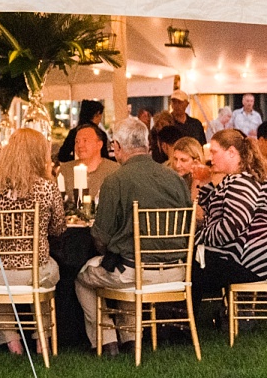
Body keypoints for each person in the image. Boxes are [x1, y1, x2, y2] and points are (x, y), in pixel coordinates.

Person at [75, 117, 192, 356]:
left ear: (117, 146)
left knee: (85, 276)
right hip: (177, 271)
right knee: (123, 262)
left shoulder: (116, 180)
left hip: (134, 272)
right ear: (147, 143)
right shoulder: (176, 179)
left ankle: (106, 341)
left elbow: (101, 237)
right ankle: (130, 339)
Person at [0, 128, 66, 354]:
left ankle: (11, 340)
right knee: (47, 272)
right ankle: (40, 338)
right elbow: (59, 227)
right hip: (32, 271)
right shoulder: (46, 187)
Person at [191, 129, 267, 301]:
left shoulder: (242, 182)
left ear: (231, 152)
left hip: (258, 262)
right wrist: (205, 180)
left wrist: (197, 239)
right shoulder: (247, 177)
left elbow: (232, 227)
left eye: (214, 152)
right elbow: (204, 207)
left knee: (189, 265)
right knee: (193, 261)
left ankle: (181, 323)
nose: (210, 158)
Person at [57, 124, 118, 198]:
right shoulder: (65, 171)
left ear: (99, 145)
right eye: (77, 141)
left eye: (85, 140)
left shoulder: (114, 171)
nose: (80, 145)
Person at [165, 136, 210, 203]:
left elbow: (194, 205)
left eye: (183, 160)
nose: (177, 165)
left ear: (196, 161)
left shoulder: (205, 178)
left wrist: (196, 178)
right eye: (175, 159)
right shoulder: (167, 173)